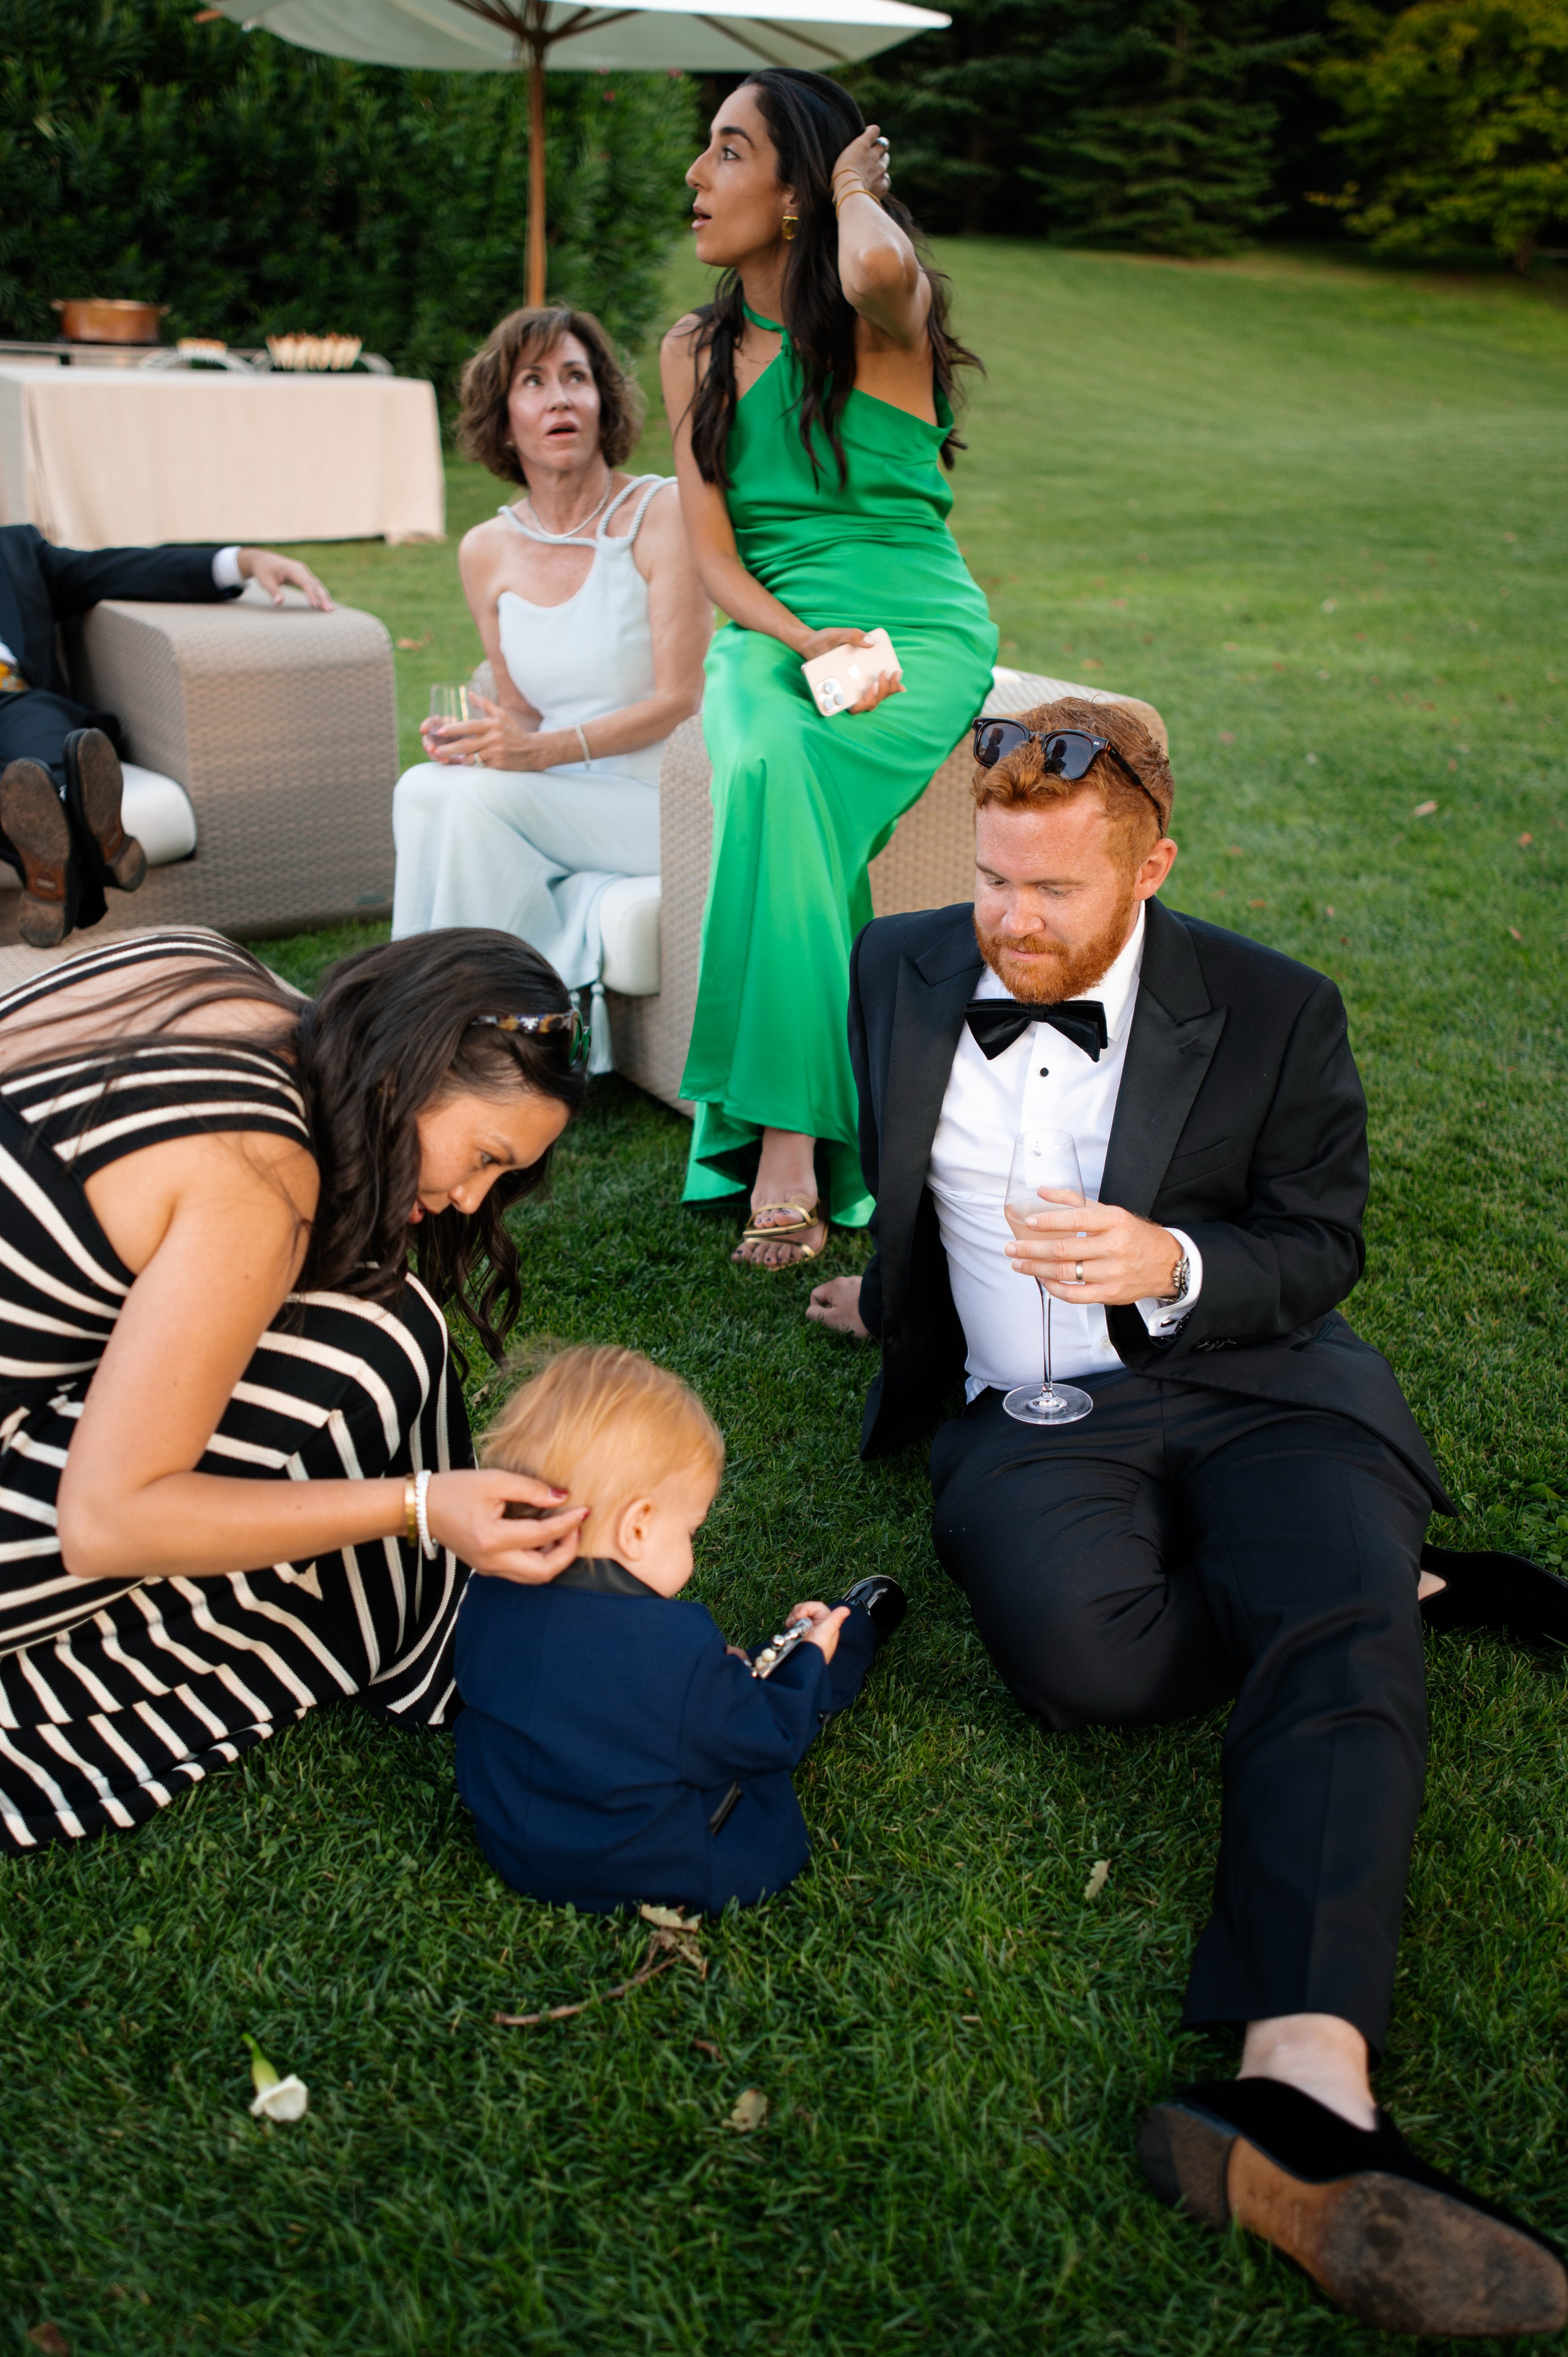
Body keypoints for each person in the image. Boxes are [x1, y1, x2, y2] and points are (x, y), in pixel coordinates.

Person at [806, 697, 1568, 2337]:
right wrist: (885, 1303)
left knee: (1330, 1625)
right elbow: (907, 1182)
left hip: (1254, 1379)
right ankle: (1394, 1584)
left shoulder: (1276, 1008)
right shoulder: (896, 968)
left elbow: (1323, 1242)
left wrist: (1177, 1266)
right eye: (995, 880)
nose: (1010, 922)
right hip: (1030, 1419)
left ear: (1153, 866)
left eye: (1054, 894)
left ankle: (1300, 2084)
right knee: (1090, 1672)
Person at [0, 925, 597, 1855]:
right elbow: (105, 1522)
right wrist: (420, 1504)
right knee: (378, 1341)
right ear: (409, 1070)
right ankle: (452, 1643)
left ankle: (445, 1624)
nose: (475, 1202)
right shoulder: (259, 1177)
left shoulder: (212, 976)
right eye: (484, 1157)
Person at [660, 69, 997, 1267]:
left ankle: (783, 1142)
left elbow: (870, 268)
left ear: (797, 194)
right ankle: (805, 1134)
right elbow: (714, 561)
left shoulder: (878, 319)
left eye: (729, 153)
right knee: (767, 754)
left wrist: (856, 193)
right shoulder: (689, 349)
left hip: (915, 629)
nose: (697, 179)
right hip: (771, 633)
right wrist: (799, 642)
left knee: (790, 778)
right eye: (704, 153)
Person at [454, 1343, 906, 1912]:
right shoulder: (676, 1649)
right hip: (647, 1864)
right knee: (783, 1689)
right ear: (638, 1528)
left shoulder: (487, 1591)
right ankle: (850, 1632)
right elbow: (767, 1738)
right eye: (690, 1529)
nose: (691, 1543)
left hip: (518, 1844)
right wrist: (808, 1660)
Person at [391, 307, 709, 1047]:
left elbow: (679, 700)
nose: (560, 398)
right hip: (565, 785)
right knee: (422, 788)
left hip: (661, 794)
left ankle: (506, 1036)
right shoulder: (486, 549)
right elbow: (521, 706)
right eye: (533, 383)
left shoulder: (659, 513)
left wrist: (535, 754)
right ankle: (405, 1015)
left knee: (483, 807)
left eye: (576, 377)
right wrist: (480, 735)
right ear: (504, 422)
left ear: (603, 403)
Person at [0, 528, 331, 947]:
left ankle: (64, 825)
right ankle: (94, 843)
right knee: (25, 792)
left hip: (16, 698)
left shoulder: (15, 550)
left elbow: (117, 570)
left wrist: (242, 561)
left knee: (40, 766)